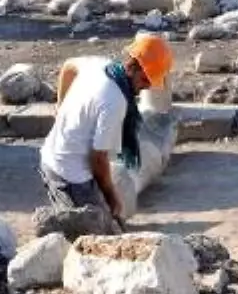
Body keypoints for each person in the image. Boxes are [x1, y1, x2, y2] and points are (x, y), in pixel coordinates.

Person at [39, 33, 173, 224]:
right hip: (70, 176)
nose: (146, 87)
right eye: (145, 80)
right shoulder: (114, 101)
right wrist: (112, 198)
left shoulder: (100, 65)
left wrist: (59, 107)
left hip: (52, 157)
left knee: (108, 225)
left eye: (151, 83)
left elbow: (69, 66)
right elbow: (98, 160)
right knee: (101, 237)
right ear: (133, 67)